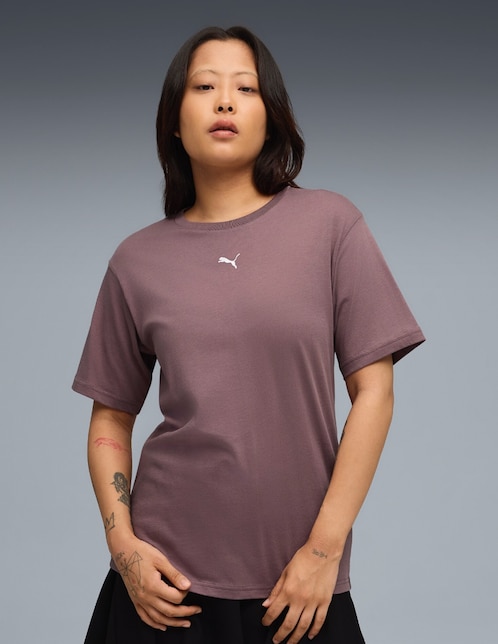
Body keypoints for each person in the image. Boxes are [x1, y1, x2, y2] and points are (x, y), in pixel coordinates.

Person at [73, 25, 425, 644]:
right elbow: (110, 418)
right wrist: (124, 548)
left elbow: (375, 393)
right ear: (174, 122)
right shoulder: (136, 261)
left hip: (299, 584)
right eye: (203, 86)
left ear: (272, 118)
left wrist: (324, 550)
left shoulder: (331, 225)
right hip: (164, 586)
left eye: (246, 88)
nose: (225, 101)